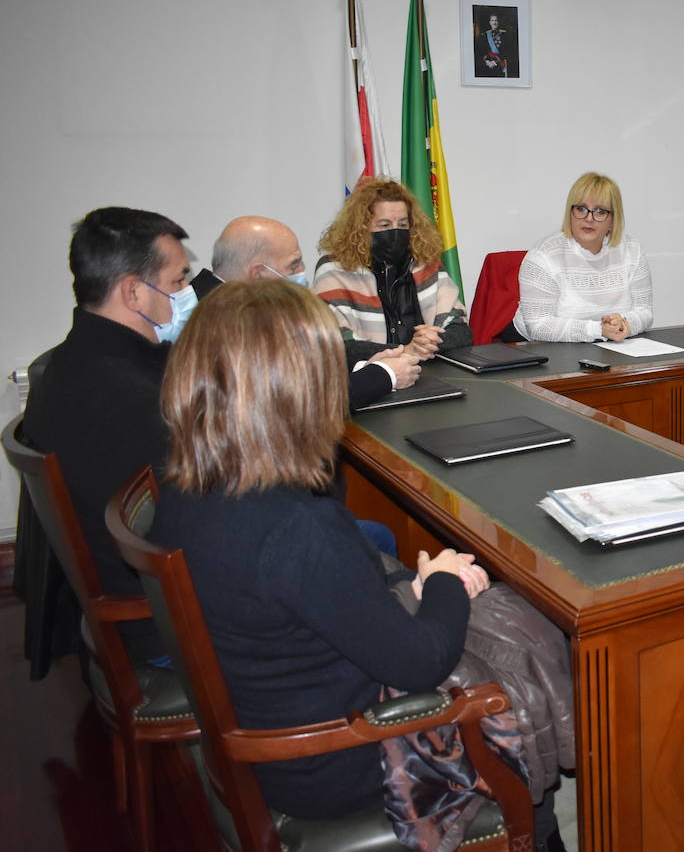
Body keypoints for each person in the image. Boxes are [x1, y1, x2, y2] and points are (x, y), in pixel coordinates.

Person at [145, 281, 511, 834]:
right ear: (298, 387)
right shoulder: (296, 525)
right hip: (336, 761)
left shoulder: (187, 478)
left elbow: (313, 599)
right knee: (521, 656)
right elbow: (419, 663)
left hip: (272, 722)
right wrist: (442, 582)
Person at [23, 206, 192, 661]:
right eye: (178, 281)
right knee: (350, 543)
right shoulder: (130, 398)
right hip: (162, 618)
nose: (186, 292)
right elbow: (200, 525)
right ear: (134, 292)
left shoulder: (66, 363)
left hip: (136, 590)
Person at [195, 215, 421, 410]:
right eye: (293, 266)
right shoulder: (214, 321)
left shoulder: (237, 304)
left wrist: (364, 368)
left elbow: (296, 375)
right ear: (258, 273)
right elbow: (292, 402)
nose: (302, 272)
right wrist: (383, 375)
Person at [313, 177, 473, 356]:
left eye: (403, 224)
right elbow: (336, 344)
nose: (396, 231)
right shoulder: (335, 270)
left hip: (426, 374)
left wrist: (430, 342)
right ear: (361, 227)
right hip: (368, 378)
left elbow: (460, 330)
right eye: (385, 225)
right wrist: (405, 351)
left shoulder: (425, 263)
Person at [514, 172, 653, 342]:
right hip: (535, 348)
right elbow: (538, 326)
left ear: (613, 220)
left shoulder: (632, 250)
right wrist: (598, 330)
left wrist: (624, 324)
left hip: (610, 346)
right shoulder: (543, 256)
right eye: (581, 209)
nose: (589, 218)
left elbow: (644, 311)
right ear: (570, 212)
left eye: (600, 211)